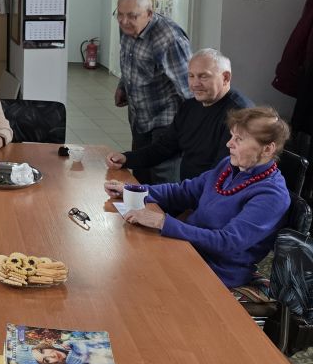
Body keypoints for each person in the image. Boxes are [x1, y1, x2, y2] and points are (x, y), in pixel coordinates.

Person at [104, 107, 291, 288]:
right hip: (187, 248)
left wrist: (163, 222)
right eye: (232, 136)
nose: (229, 143)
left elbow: (228, 243)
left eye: (239, 139)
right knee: (123, 254)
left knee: (131, 274)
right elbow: (184, 192)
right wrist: (134, 190)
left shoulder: (272, 195)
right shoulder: (229, 166)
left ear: (267, 150)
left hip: (215, 269)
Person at [105, 49, 254, 181]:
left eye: (203, 76)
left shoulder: (241, 115)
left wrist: (178, 202)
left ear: (226, 77)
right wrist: (126, 158)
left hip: (212, 199)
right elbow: (164, 147)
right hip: (189, 193)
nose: (195, 84)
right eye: (191, 76)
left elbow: (223, 174)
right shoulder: (190, 106)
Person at [114, 0, 192, 184]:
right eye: (120, 14)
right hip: (140, 116)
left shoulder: (168, 38)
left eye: (131, 16)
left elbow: (189, 88)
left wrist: (189, 130)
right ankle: (138, 213)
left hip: (166, 119)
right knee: (140, 176)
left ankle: (164, 216)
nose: (124, 21)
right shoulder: (126, 27)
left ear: (149, 13)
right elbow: (129, 59)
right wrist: (123, 85)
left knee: (163, 179)